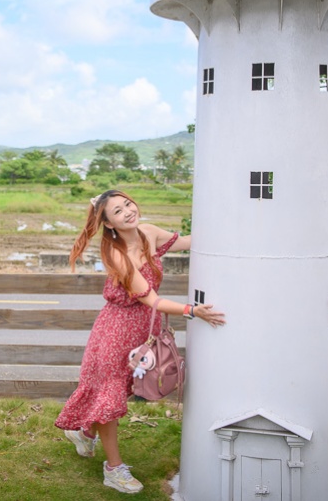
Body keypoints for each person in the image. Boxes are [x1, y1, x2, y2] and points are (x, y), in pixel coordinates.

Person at [54, 189, 225, 494]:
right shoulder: (117, 255)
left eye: (128, 204)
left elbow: (187, 242)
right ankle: (113, 469)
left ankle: (84, 434)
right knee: (111, 397)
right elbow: (152, 299)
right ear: (109, 224)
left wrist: (225, 222)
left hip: (142, 331)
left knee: (115, 392)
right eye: (118, 212)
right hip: (115, 331)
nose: (128, 212)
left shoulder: (149, 232)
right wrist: (192, 311)